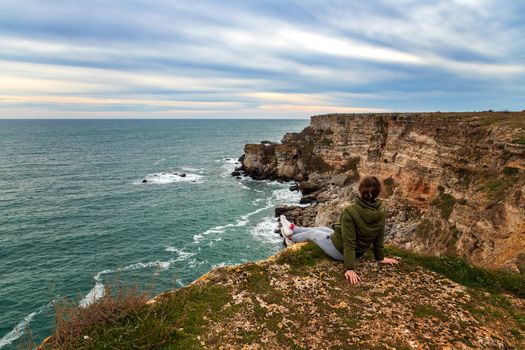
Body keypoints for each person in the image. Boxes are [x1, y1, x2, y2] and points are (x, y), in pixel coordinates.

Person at [280, 176, 398, 284]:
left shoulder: (351, 211)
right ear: (378, 193)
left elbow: (349, 241)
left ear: (360, 190)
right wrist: (380, 258)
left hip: (341, 252)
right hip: (354, 250)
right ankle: (293, 228)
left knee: (314, 233)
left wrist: (350, 268)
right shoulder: (381, 211)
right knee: (323, 229)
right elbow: (379, 236)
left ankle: (290, 237)